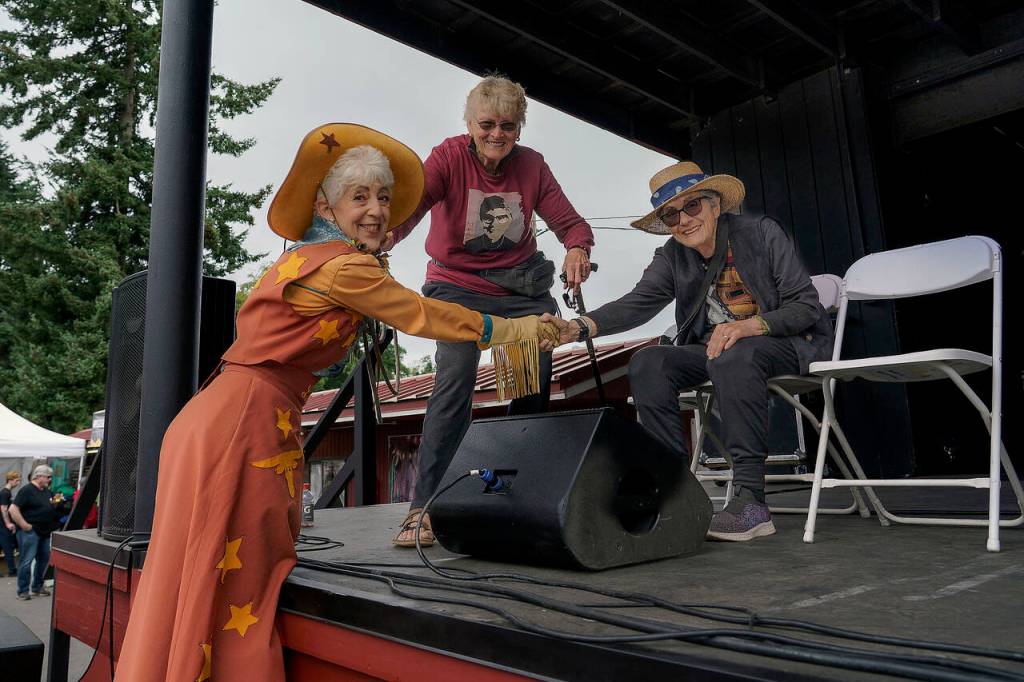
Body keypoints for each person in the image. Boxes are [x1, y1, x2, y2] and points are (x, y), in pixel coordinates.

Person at [113, 124, 558, 682]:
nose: (377, 210)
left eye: (384, 198)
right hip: (241, 426)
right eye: (359, 197)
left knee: (195, 578)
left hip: (228, 418)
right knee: (239, 585)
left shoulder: (312, 259)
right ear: (326, 206)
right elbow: (424, 315)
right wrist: (517, 328)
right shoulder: (344, 268)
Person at [542, 161, 833, 542]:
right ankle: (673, 491)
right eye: (671, 214)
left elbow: (806, 306)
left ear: (716, 205)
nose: (683, 220)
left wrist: (747, 326)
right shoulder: (672, 255)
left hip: (785, 343)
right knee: (649, 362)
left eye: (692, 206)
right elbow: (638, 303)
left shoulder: (760, 232)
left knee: (734, 353)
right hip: (718, 351)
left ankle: (751, 502)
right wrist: (579, 326)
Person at [387, 74, 595, 547]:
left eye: (507, 125)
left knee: (532, 376)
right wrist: (384, 237)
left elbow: (571, 223)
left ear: (519, 128)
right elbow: (413, 205)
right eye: (487, 124)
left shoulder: (532, 166)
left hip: (521, 289)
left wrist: (576, 248)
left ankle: (518, 497)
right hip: (455, 286)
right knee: (455, 374)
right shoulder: (447, 157)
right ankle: (424, 506)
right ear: (469, 124)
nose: (496, 134)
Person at [9, 465, 64, 598]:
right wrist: (24, 525)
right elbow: (13, 509)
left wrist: (55, 503)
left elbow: (48, 506)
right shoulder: (26, 490)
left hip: (45, 531)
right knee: (26, 561)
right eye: (48, 477)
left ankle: (37, 587)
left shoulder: (46, 490)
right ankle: (23, 591)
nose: (50, 479)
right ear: (38, 476)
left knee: (43, 560)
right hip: (30, 532)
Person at [0, 470, 22, 576]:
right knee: (8, 547)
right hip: (3, 524)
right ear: (10, 480)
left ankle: (12, 570)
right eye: (17, 480)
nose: (18, 483)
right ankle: (12, 570)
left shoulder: (6, 492)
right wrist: (8, 523)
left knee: (4, 546)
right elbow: (3, 509)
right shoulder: (5, 493)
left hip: (2, 524)